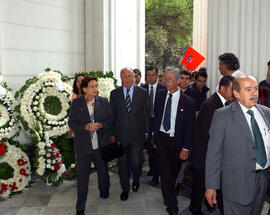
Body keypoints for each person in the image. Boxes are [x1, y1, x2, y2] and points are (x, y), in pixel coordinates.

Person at [205, 74, 270, 215]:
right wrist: (211, 186)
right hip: (236, 184)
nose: (254, 93)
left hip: (262, 181)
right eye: (248, 90)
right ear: (236, 93)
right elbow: (214, 153)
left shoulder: (266, 113)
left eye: (255, 88)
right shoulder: (222, 115)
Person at [153, 66, 196, 215]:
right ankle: (172, 205)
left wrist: (186, 148)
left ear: (178, 81)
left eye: (170, 78)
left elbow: (190, 128)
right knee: (165, 174)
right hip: (162, 140)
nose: (166, 80)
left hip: (177, 142)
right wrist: (154, 137)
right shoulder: (160, 95)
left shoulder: (188, 102)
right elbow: (157, 117)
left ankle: (169, 192)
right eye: (165, 77)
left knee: (174, 173)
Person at [189, 75, 235, 215]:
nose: (235, 93)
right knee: (200, 186)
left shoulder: (226, 103)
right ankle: (195, 210)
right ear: (222, 88)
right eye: (232, 89)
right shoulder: (210, 105)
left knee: (211, 186)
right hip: (203, 156)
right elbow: (208, 134)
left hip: (212, 155)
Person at [68, 77, 112, 215]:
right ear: (85, 89)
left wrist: (100, 125)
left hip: (100, 146)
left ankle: (104, 191)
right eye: (92, 86)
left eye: (96, 86)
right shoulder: (76, 103)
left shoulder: (103, 102)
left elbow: (110, 121)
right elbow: (71, 123)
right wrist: (84, 127)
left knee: (103, 172)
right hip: (83, 147)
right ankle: (80, 207)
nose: (95, 89)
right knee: (82, 178)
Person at [110, 67, 150, 201]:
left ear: (134, 77)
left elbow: (146, 114)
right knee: (122, 165)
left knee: (136, 162)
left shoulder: (142, 93)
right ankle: (125, 188)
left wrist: (146, 131)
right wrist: (112, 134)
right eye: (125, 76)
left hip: (137, 136)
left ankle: (136, 179)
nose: (128, 79)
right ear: (121, 78)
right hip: (120, 137)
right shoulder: (114, 94)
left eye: (130, 76)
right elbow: (112, 116)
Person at [142, 66, 165, 186]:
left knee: (157, 150)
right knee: (150, 150)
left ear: (157, 76)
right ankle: (153, 169)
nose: (150, 77)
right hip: (146, 124)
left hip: (158, 124)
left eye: (153, 75)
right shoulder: (142, 89)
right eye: (148, 75)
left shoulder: (163, 89)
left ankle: (157, 175)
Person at [68, 74, 85, 139]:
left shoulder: (90, 94)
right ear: (75, 83)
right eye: (78, 81)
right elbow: (72, 114)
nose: (80, 82)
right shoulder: (74, 96)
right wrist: (70, 130)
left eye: (82, 80)